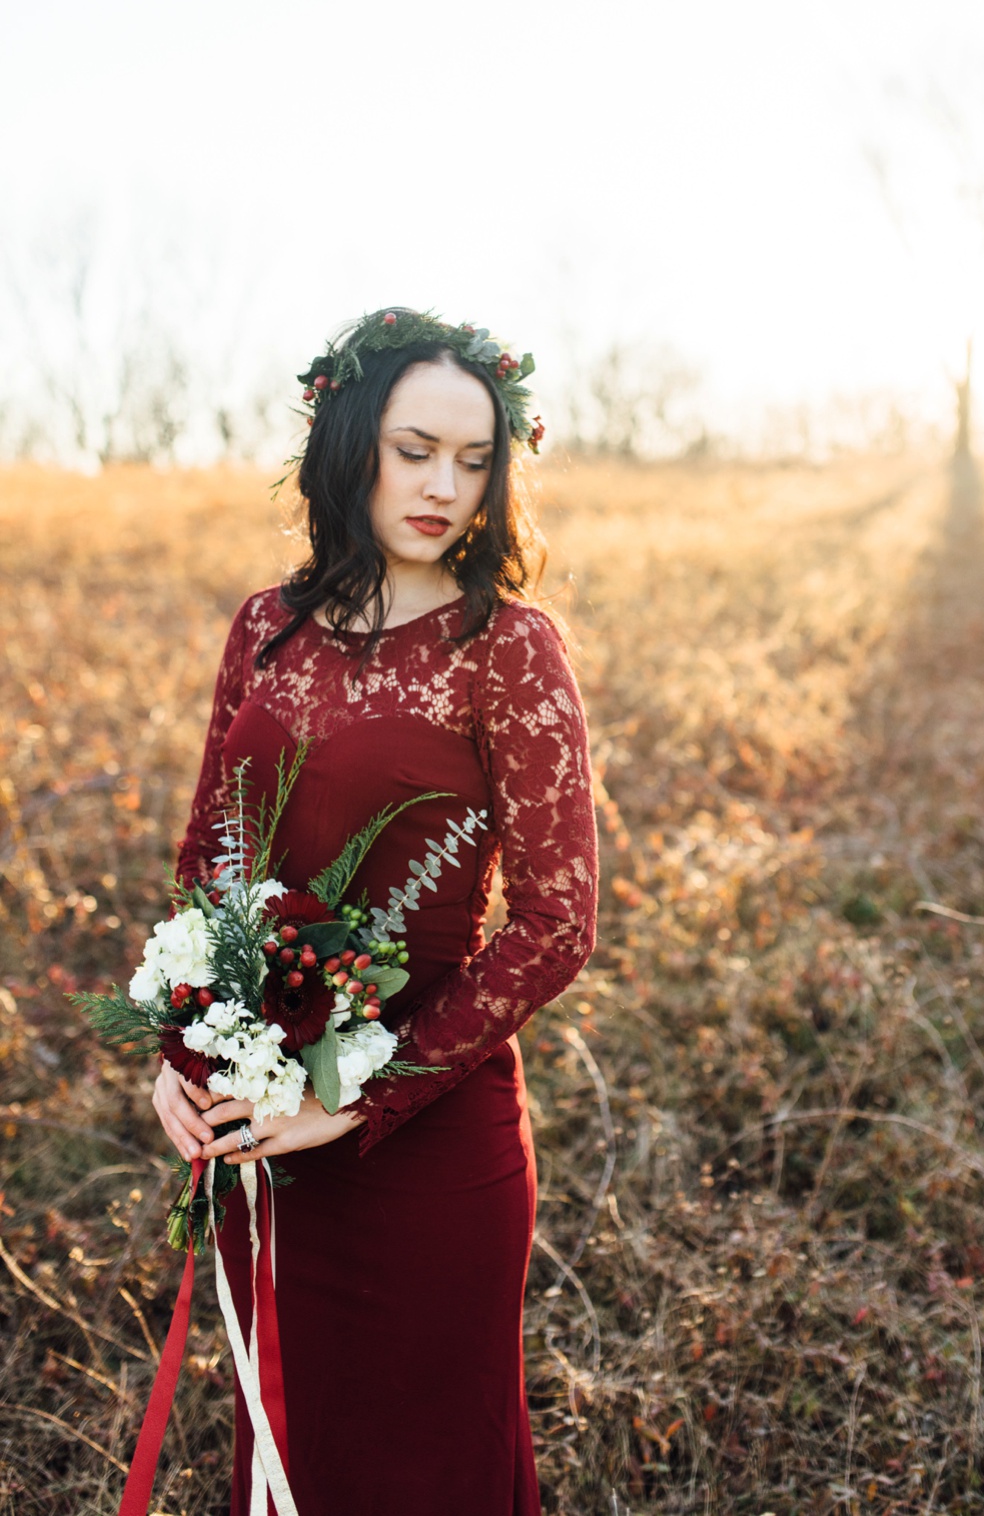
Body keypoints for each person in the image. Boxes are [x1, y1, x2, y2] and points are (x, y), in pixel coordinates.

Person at [146, 308, 597, 1515]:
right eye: (414, 448)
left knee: (421, 1468)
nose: (445, 484)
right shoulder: (267, 624)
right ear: (351, 440)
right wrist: (184, 1054)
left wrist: (358, 1092)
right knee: (295, 1455)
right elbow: (209, 858)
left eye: (474, 458)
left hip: (425, 1137)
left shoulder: (504, 648)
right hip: (263, 1118)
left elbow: (557, 925)